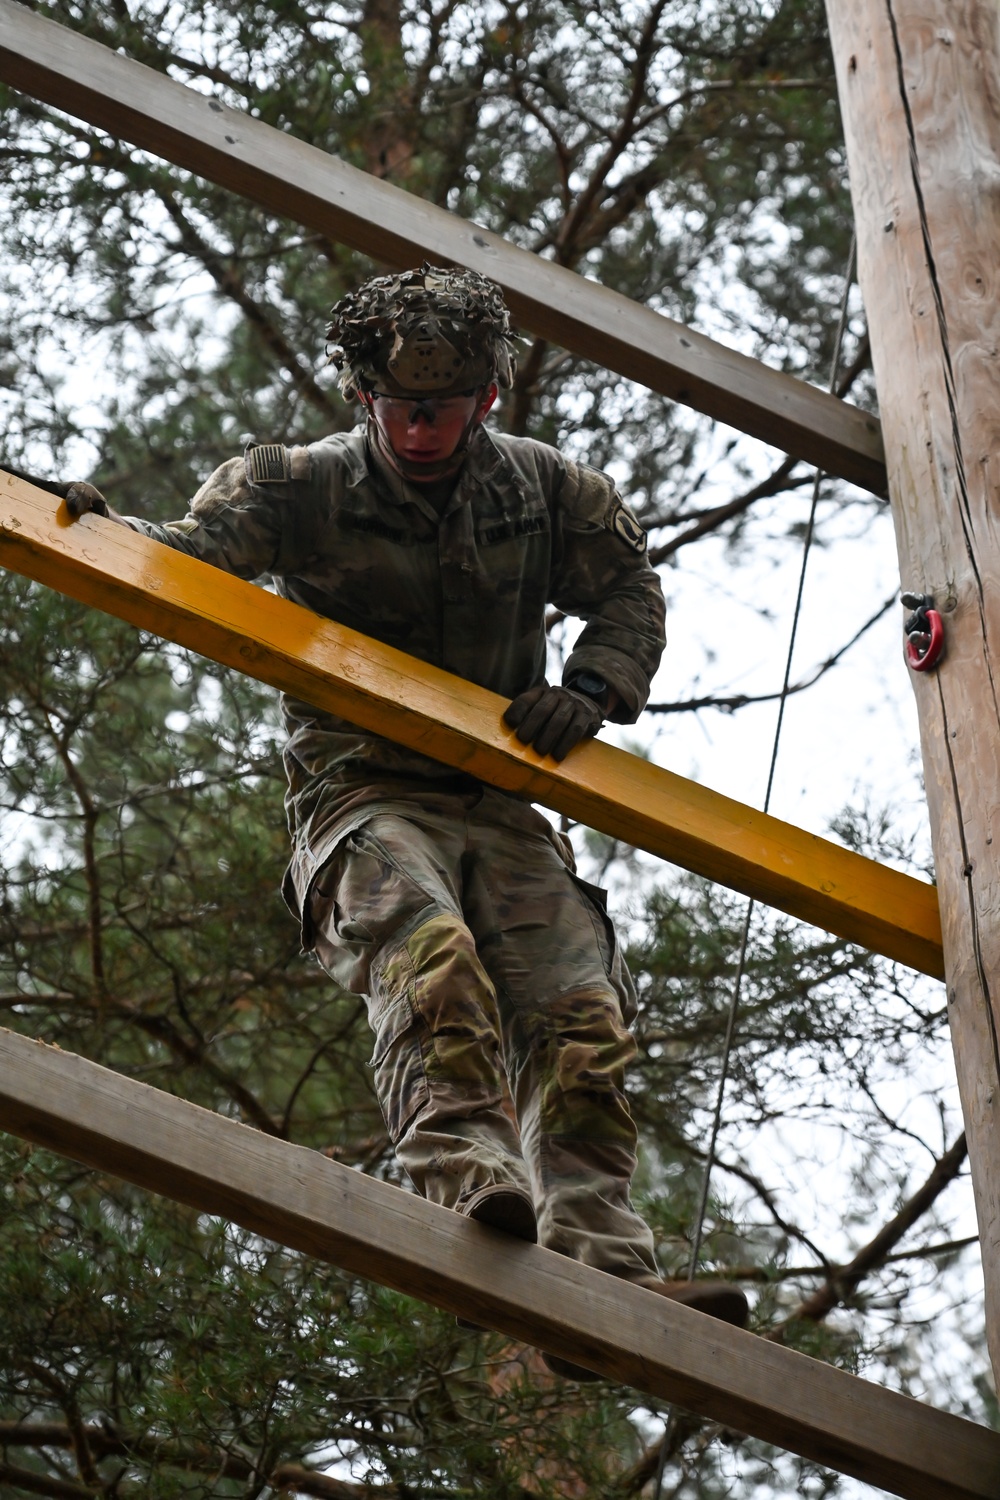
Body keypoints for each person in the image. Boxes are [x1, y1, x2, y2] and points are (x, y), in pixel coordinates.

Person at [66, 264, 748, 1375]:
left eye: (445, 405)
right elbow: (189, 559)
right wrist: (99, 529)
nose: (421, 426)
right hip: (365, 793)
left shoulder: (542, 491)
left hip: (501, 805)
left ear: (489, 397)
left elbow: (627, 587)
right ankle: (470, 1186)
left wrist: (591, 687)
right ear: (361, 395)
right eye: (400, 406)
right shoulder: (299, 487)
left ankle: (605, 1272)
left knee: (581, 1019)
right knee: (433, 965)